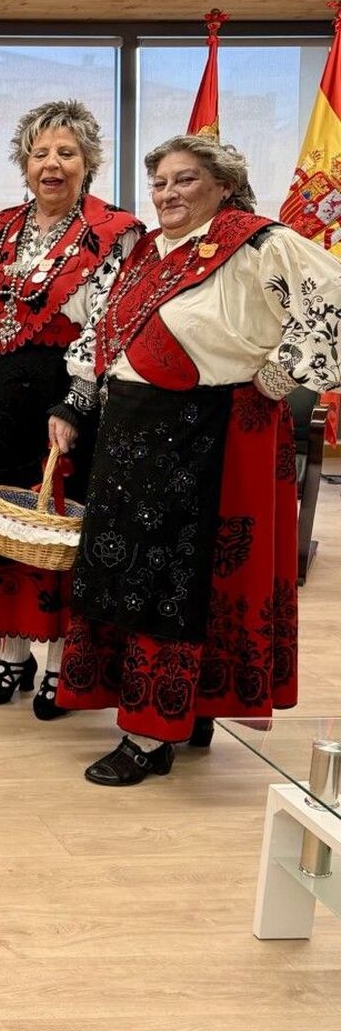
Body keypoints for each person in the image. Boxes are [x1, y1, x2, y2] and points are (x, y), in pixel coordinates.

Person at [60, 136, 341, 784]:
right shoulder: (153, 253)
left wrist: (285, 374)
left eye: (185, 180)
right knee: (142, 581)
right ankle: (184, 714)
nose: (167, 193)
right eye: (159, 182)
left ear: (222, 185)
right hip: (135, 437)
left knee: (172, 587)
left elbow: (331, 296)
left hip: (202, 434)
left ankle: (148, 737)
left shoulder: (255, 242)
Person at [0, 100, 144, 715]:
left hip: (65, 404)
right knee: (5, 527)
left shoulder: (114, 233)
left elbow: (108, 325)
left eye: (66, 153)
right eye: (39, 153)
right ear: (23, 164)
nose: (51, 165)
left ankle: (60, 665)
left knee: (59, 530)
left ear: (88, 162)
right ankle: (11, 656)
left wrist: (76, 403)